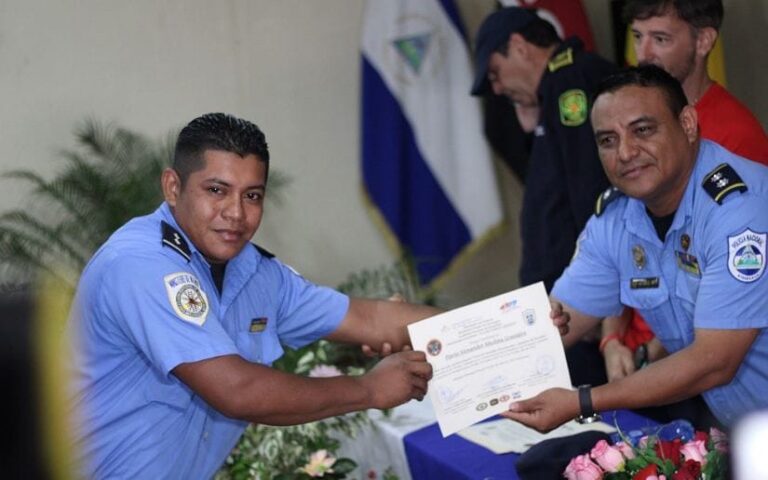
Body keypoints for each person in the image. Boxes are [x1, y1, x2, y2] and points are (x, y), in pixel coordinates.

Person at [67, 113, 440, 478]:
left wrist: (489, 330)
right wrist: (368, 389)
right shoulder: (140, 263)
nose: (236, 213)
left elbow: (370, 321)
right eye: (216, 190)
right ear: (173, 187)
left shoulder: (256, 272)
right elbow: (237, 390)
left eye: (252, 195)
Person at [503, 65, 768, 433]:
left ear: (688, 124)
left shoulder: (741, 208)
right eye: (607, 140)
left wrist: (585, 400)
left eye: (643, 130)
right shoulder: (616, 220)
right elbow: (554, 322)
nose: (625, 153)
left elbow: (714, 361)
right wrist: (440, 354)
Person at [600, 0, 768, 388]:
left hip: (695, 364)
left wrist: (649, 356)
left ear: (704, 40)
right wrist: (611, 338)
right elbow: (621, 236)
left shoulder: (737, 140)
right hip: (633, 347)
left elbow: (731, 286)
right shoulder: (625, 124)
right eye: (637, 37)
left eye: (660, 39)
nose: (643, 55)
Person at [470, 6, 617, 386]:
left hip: (578, 312)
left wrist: (589, 300)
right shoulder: (554, 89)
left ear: (518, 46)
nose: (498, 89)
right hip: (565, 308)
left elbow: (593, 197)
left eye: (495, 73)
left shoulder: (570, 81)